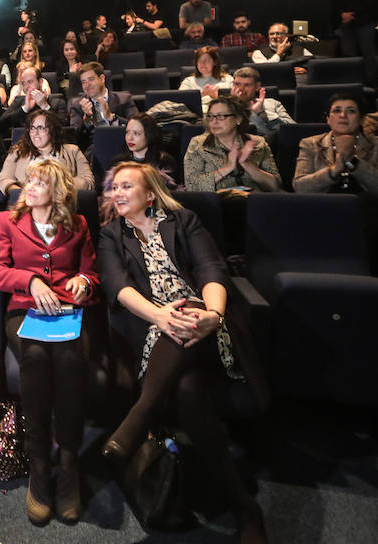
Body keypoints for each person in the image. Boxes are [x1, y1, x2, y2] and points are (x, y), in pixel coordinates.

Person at [98, 161, 269, 544]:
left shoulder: (184, 220)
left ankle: (138, 416)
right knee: (188, 390)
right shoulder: (111, 234)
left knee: (186, 311)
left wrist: (212, 315)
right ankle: (245, 507)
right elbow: (118, 286)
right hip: (153, 330)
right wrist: (160, 315)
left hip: (207, 326)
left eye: (128, 186)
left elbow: (212, 270)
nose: (119, 193)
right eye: (114, 188)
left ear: (149, 193)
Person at [0, 159, 100, 525]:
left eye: (40, 182)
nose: (30, 186)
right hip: (24, 311)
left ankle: (68, 462)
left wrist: (84, 283)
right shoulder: (8, 221)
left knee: (70, 360)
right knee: (34, 356)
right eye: (29, 180)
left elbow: (90, 271)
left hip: (67, 312)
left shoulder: (78, 224)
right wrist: (32, 281)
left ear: (59, 192)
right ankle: (39, 465)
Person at [184, 95, 281, 192]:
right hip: (216, 203)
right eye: (210, 116)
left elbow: (274, 187)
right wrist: (228, 167)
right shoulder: (198, 144)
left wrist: (246, 163)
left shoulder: (258, 143)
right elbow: (192, 186)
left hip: (254, 202)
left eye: (220, 116)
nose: (214, 121)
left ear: (238, 119)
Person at [293, 93, 378, 195]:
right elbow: (300, 188)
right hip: (322, 206)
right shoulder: (310, 144)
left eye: (351, 111)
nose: (343, 115)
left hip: (369, 208)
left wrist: (353, 162)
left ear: (361, 119)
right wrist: (333, 170)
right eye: (337, 110)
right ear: (328, 119)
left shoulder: (377, 144)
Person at [0, 109, 94, 197]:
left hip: (61, 202)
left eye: (40, 128)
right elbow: (4, 180)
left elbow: (88, 182)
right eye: (32, 128)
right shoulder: (18, 152)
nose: (35, 133)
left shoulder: (72, 151)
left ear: (52, 130)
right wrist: (23, 193)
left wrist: (57, 185)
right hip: (25, 203)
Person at [336, 0, 378, 88]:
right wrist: (342, 14)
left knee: (369, 52)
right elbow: (339, 1)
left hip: (365, 21)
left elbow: (371, 2)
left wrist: (353, 14)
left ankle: (374, 83)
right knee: (349, 53)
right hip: (348, 23)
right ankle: (353, 82)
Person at [69, 61, 137, 132]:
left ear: (102, 79)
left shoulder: (124, 99)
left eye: (91, 79)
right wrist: (88, 118)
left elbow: (137, 127)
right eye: (83, 82)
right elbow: (74, 136)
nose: (87, 85)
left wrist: (111, 117)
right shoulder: (78, 105)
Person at [230, 67, 294, 143]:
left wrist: (262, 114)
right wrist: (233, 104)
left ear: (257, 87)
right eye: (237, 84)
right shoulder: (222, 106)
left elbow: (292, 131)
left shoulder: (272, 103)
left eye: (247, 85)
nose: (241, 89)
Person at [0, 66, 67, 134]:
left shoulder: (57, 101)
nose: (26, 87)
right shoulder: (19, 101)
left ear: (40, 82)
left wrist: (45, 106)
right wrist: (24, 109)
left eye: (30, 82)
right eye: (23, 83)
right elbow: (0, 125)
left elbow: (63, 128)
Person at [179, 47, 234, 113]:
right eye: (200, 60)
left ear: (215, 62)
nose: (203, 63)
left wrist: (216, 97)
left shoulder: (228, 79)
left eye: (207, 60)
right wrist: (202, 94)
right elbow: (180, 102)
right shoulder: (189, 81)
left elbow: (235, 101)